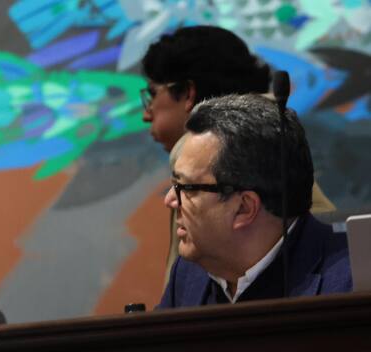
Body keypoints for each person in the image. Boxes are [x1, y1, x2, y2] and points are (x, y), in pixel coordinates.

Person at [139, 26, 336, 279]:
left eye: (152, 94)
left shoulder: (198, 148)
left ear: (188, 93)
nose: (146, 114)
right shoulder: (274, 134)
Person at [158, 94, 351, 308]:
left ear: (244, 208)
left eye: (185, 187)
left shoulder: (351, 283)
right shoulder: (189, 273)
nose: (169, 200)